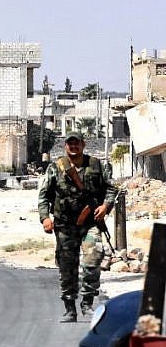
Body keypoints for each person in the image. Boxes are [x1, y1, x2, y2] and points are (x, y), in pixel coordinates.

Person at [38, 132, 117, 323]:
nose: (73, 146)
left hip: (90, 223)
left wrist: (105, 206)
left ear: (83, 144)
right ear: (66, 146)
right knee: (67, 266)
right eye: (70, 143)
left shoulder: (96, 165)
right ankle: (69, 308)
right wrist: (45, 218)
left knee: (93, 259)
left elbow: (111, 188)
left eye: (77, 143)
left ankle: (87, 304)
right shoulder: (56, 167)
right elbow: (44, 195)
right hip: (65, 225)